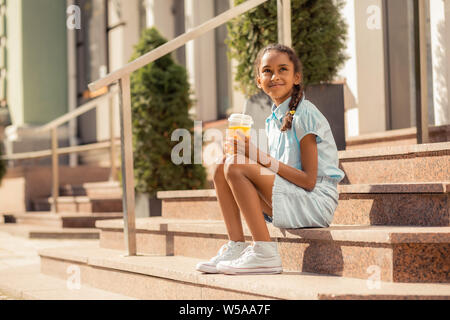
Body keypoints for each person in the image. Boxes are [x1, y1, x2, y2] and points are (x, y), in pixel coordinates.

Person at [196, 44, 345, 275]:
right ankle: (236, 246)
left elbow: (308, 181)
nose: (274, 76)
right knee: (221, 167)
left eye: (282, 69)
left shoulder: (305, 113)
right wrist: (246, 156)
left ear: (296, 77)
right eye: (267, 71)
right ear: (259, 81)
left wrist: (257, 157)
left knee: (235, 165)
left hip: (314, 202)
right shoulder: (272, 120)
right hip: (291, 195)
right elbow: (274, 172)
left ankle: (265, 253)